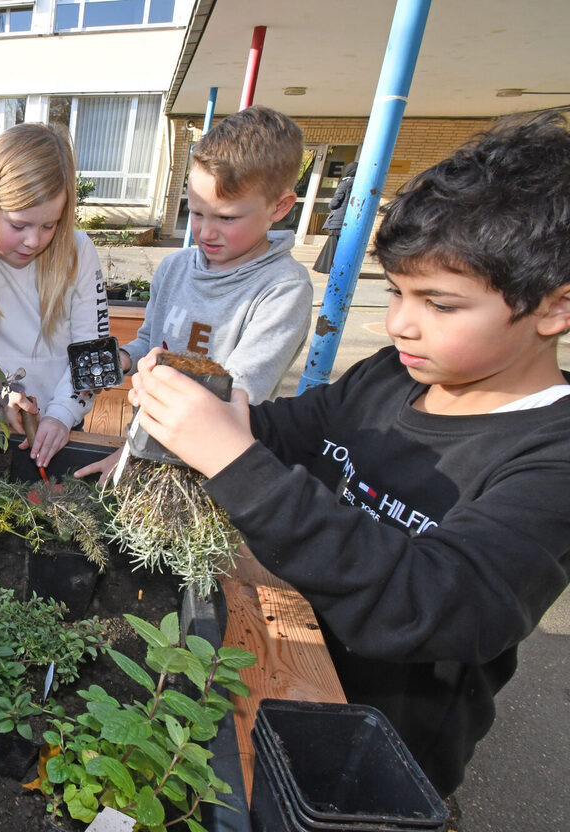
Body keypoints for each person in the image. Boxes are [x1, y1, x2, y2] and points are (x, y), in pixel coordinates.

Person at [128, 111, 570, 798]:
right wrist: (214, 409)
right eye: (395, 290)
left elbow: (434, 603)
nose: (397, 323)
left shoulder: (551, 460)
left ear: (553, 308)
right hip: (282, 660)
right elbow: (285, 432)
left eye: (440, 304)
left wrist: (232, 457)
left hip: (379, 743)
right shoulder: (391, 375)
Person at [78, 105, 313, 480]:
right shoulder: (175, 268)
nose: (205, 232)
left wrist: (134, 454)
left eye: (227, 217)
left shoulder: (283, 289)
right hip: (146, 441)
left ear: (280, 207)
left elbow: (234, 395)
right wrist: (120, 358)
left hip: (208, 469)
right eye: (197, 212)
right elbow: (150, 344)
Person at [0, 122, 109, 468]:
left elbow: (93, 352)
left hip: (63, 419)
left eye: (49, 225)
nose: (34, 241)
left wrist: (61, 413)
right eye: (18, 225)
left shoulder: (78, 251)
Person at [313, 161, 358, 274]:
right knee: (339, 246)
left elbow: (334, 203)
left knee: (332, 245)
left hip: (338, 219)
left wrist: (329, 206)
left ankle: (326, 267)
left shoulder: (345, 183)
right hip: (349, 221)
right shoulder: (358, 184)